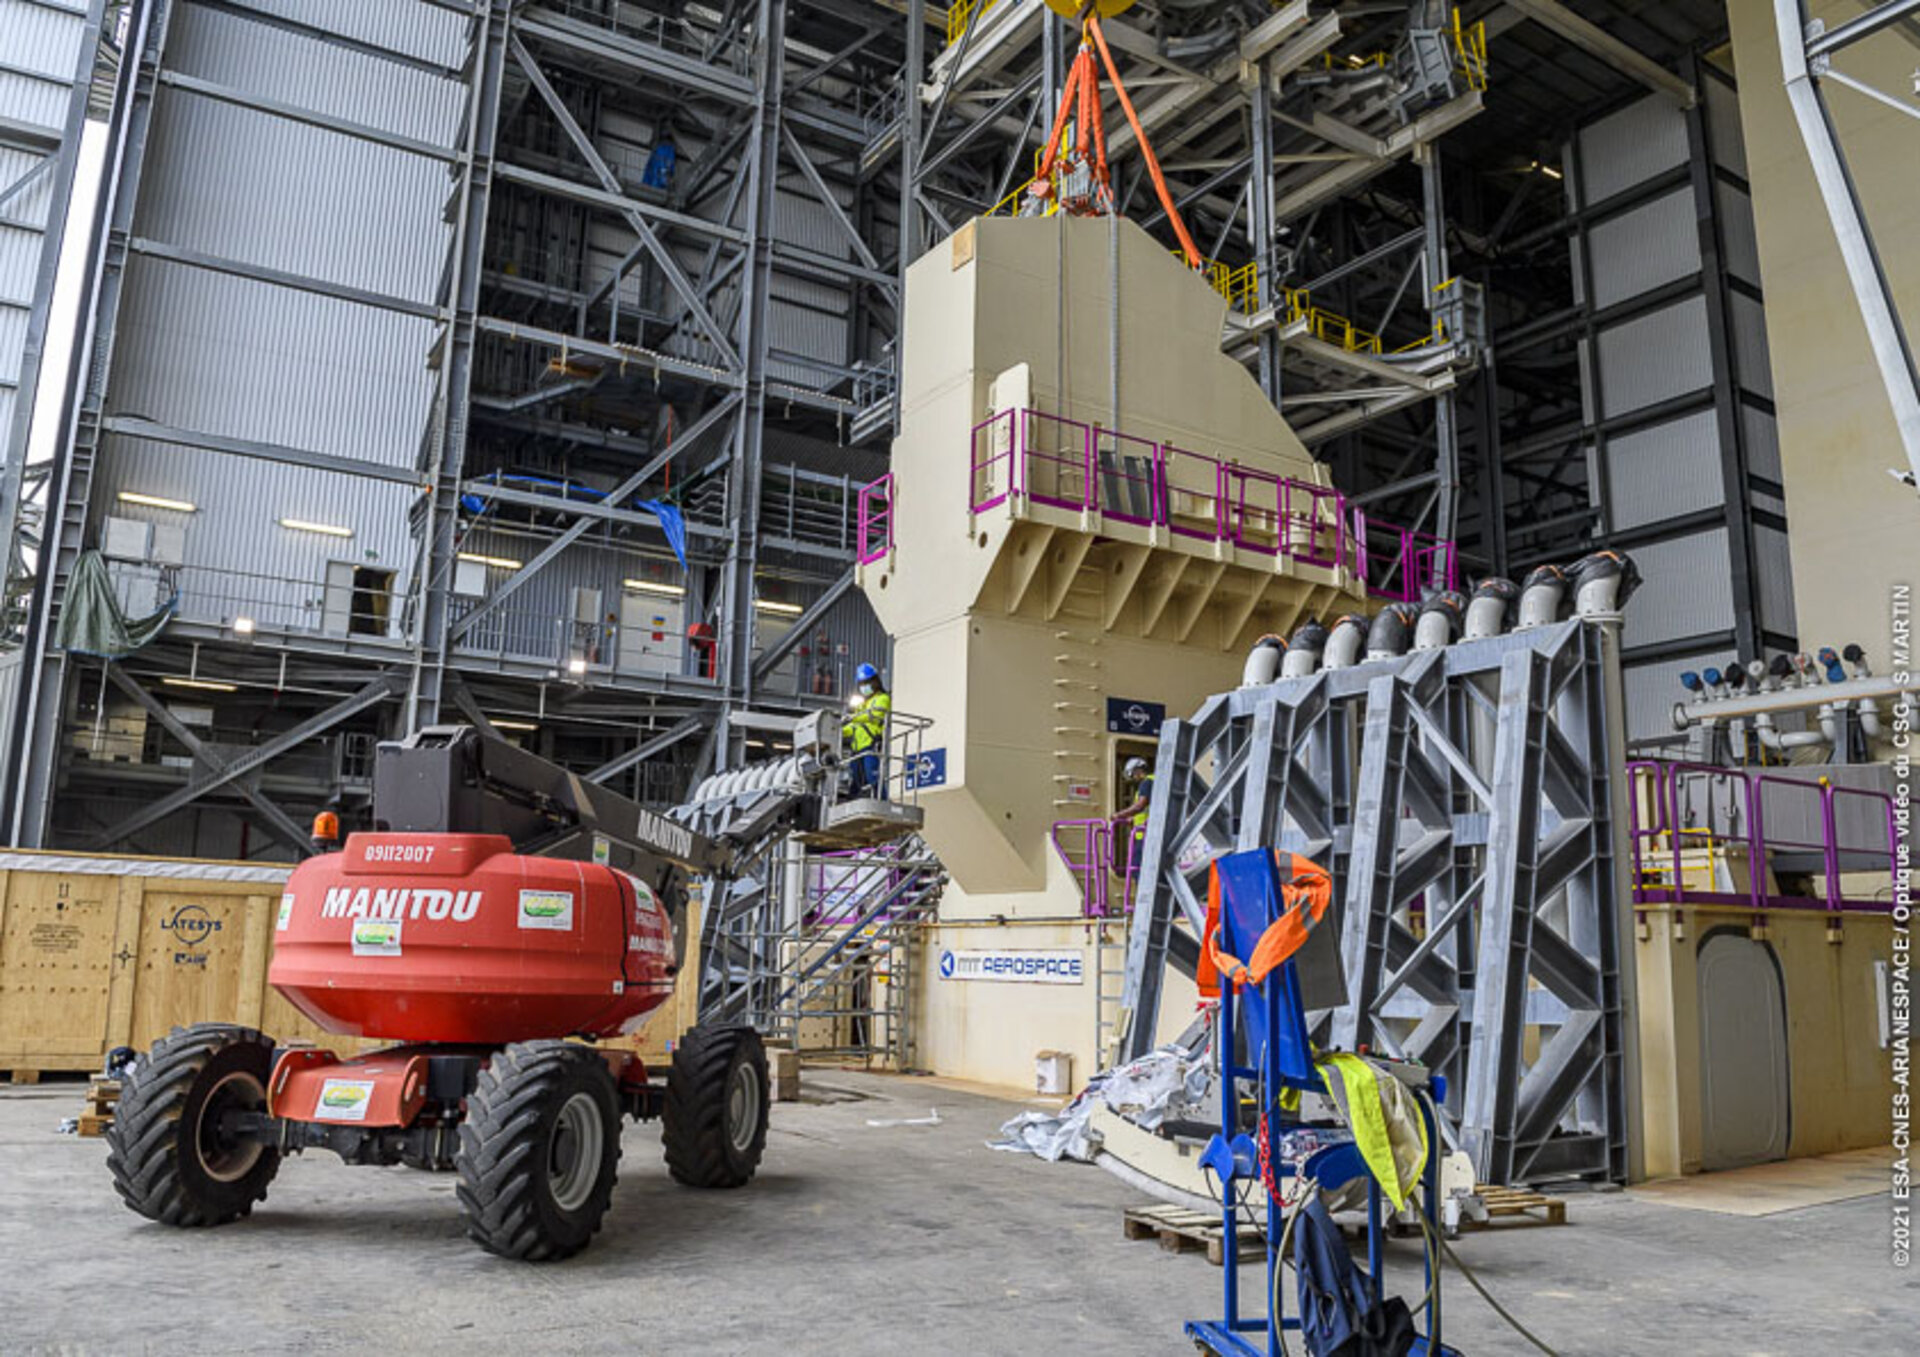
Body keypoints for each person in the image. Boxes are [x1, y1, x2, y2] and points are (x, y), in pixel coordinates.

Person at [844, 663, 891, 797]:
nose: (864, 686)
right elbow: (854, 726)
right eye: (862, 683)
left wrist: (853, 718)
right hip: (857, 748)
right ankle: (853, 802)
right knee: (856, 780)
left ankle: (881, 801)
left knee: (873, 777)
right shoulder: (862, 705)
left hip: (871, 745)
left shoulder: (882, 698)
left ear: (875, 681)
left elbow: (876, 716)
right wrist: (838, 729)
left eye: (867, 682)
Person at [1109, 756, 1153, 875]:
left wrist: (1119, 815)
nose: (1134, 778)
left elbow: (1140, 806)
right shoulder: (1155, 781)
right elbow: (1152, 808)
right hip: (1150, 833)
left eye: (1133, 774)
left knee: (1136, 869)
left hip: (1144, 835)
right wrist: (1133, 819)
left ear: (1138, 770)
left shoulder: (1146, 783)